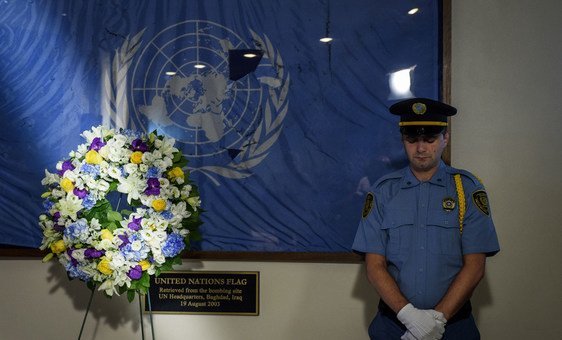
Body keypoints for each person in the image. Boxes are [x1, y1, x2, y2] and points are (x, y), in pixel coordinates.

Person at [352, 98, 500, 340]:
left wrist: (437, 320)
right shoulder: (382, 192)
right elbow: (374, 265)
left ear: (445, 138)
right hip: (393, 328)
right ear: (403, 140)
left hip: (453, 328)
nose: (420, 148)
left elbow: (475, 266)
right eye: (412, 139)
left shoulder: (468, 191)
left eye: (430, 139)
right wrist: (410, 316)